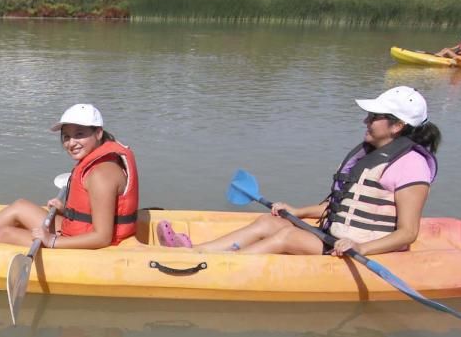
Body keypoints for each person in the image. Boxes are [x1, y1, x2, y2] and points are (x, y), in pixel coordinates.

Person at [163, 87, 439, 258]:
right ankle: (195, 252)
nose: (365, 120)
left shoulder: (411, 165)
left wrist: (362, 248)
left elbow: (407, 232)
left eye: (374, 117)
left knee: (286, 236)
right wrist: (296, 211)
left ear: (397, 126)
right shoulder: (367, 154)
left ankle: (217, 267)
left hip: (360, 248)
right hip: (333, 235)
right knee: (269, 224)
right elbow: (339, 206)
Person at [0, 104, 139, 249]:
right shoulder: (98, 161)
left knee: (5, 233)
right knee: (20, 206)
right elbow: (93, 211)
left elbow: (102, 237)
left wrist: (51, 241)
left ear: (98, 133)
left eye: (79, 135)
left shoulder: (101, 173)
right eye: (66, 136)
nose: (71, 143)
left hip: (89, 243)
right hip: (75, 228)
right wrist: (65, 209)